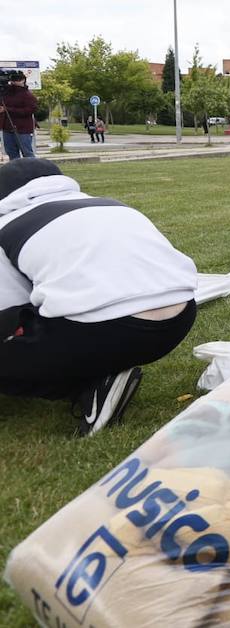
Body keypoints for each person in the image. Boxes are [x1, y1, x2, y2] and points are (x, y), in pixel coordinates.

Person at [0, 158, 198, 435]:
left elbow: (8, 308)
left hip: (106, 329)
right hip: (180, 316)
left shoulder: (6, 224)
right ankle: (102, 367)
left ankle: (87, 387)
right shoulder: (111, 204)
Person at [0, 72, 38, 160]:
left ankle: (32, 171)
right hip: (7, 127)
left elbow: (30, 110)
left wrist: (8, 109)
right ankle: (17, 172)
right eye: (13, 79)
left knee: (27, 152)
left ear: (23, 80)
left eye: (17, 79)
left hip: (23, 129)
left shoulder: (27, 95)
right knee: (11, 153)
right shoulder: (6, 93)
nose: (14, 82)